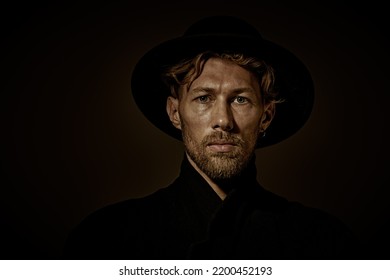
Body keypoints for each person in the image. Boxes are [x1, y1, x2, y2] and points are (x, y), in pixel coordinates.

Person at [63, 16, 360, 259]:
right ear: (175, 112)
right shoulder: (106, 239)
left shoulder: (323, 243)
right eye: (204, 98)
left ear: (266, 116)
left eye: (240, 100)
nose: (223, 121)